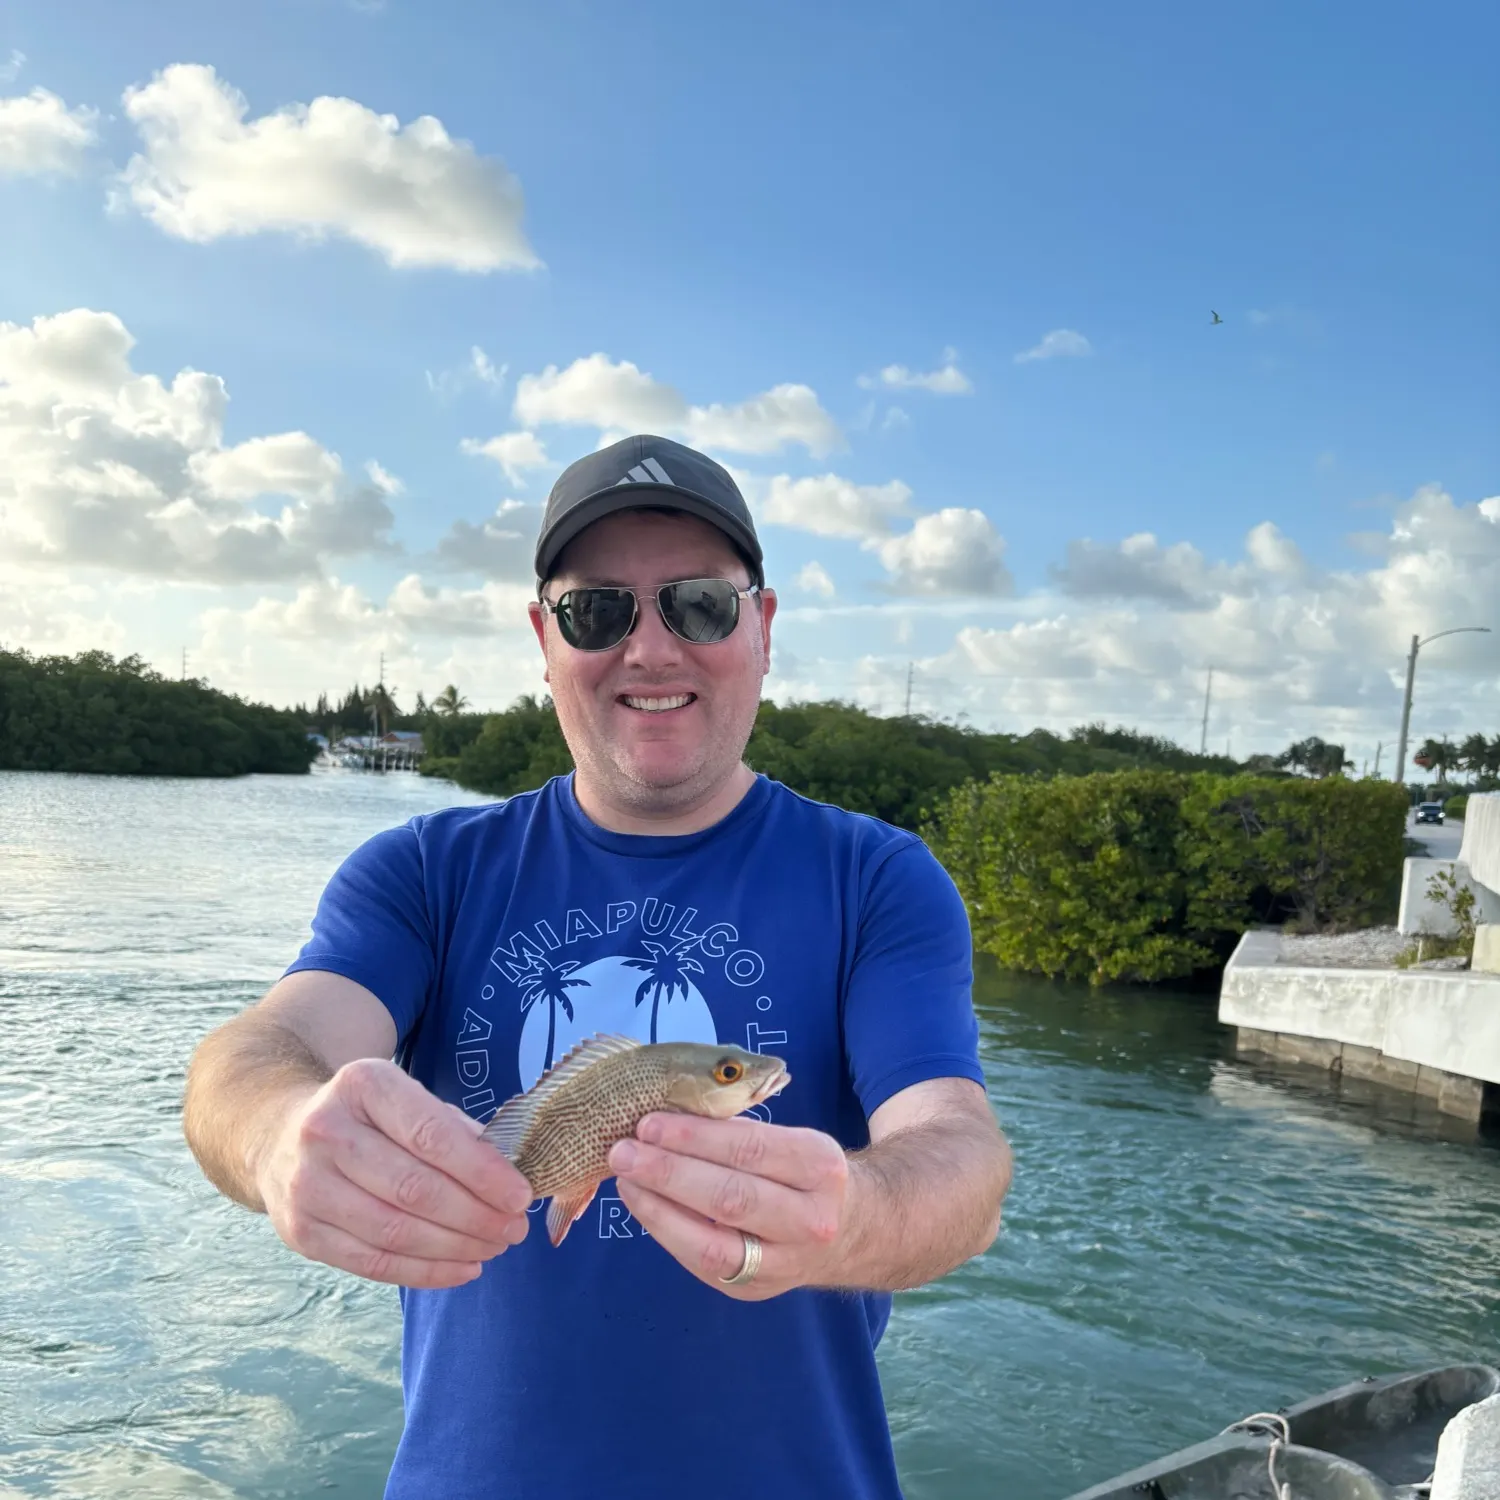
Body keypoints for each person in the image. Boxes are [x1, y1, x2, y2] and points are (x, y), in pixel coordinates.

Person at [182, 433, 1013, 1500]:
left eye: (699, 605)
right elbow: (265, 1049)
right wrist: (278, 1139)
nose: (652, 650)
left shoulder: (880, 879)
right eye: (598, 611)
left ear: (761, 626)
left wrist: (853, 1213)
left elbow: (960, 1158)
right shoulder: (421, 873)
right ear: (544, 638)